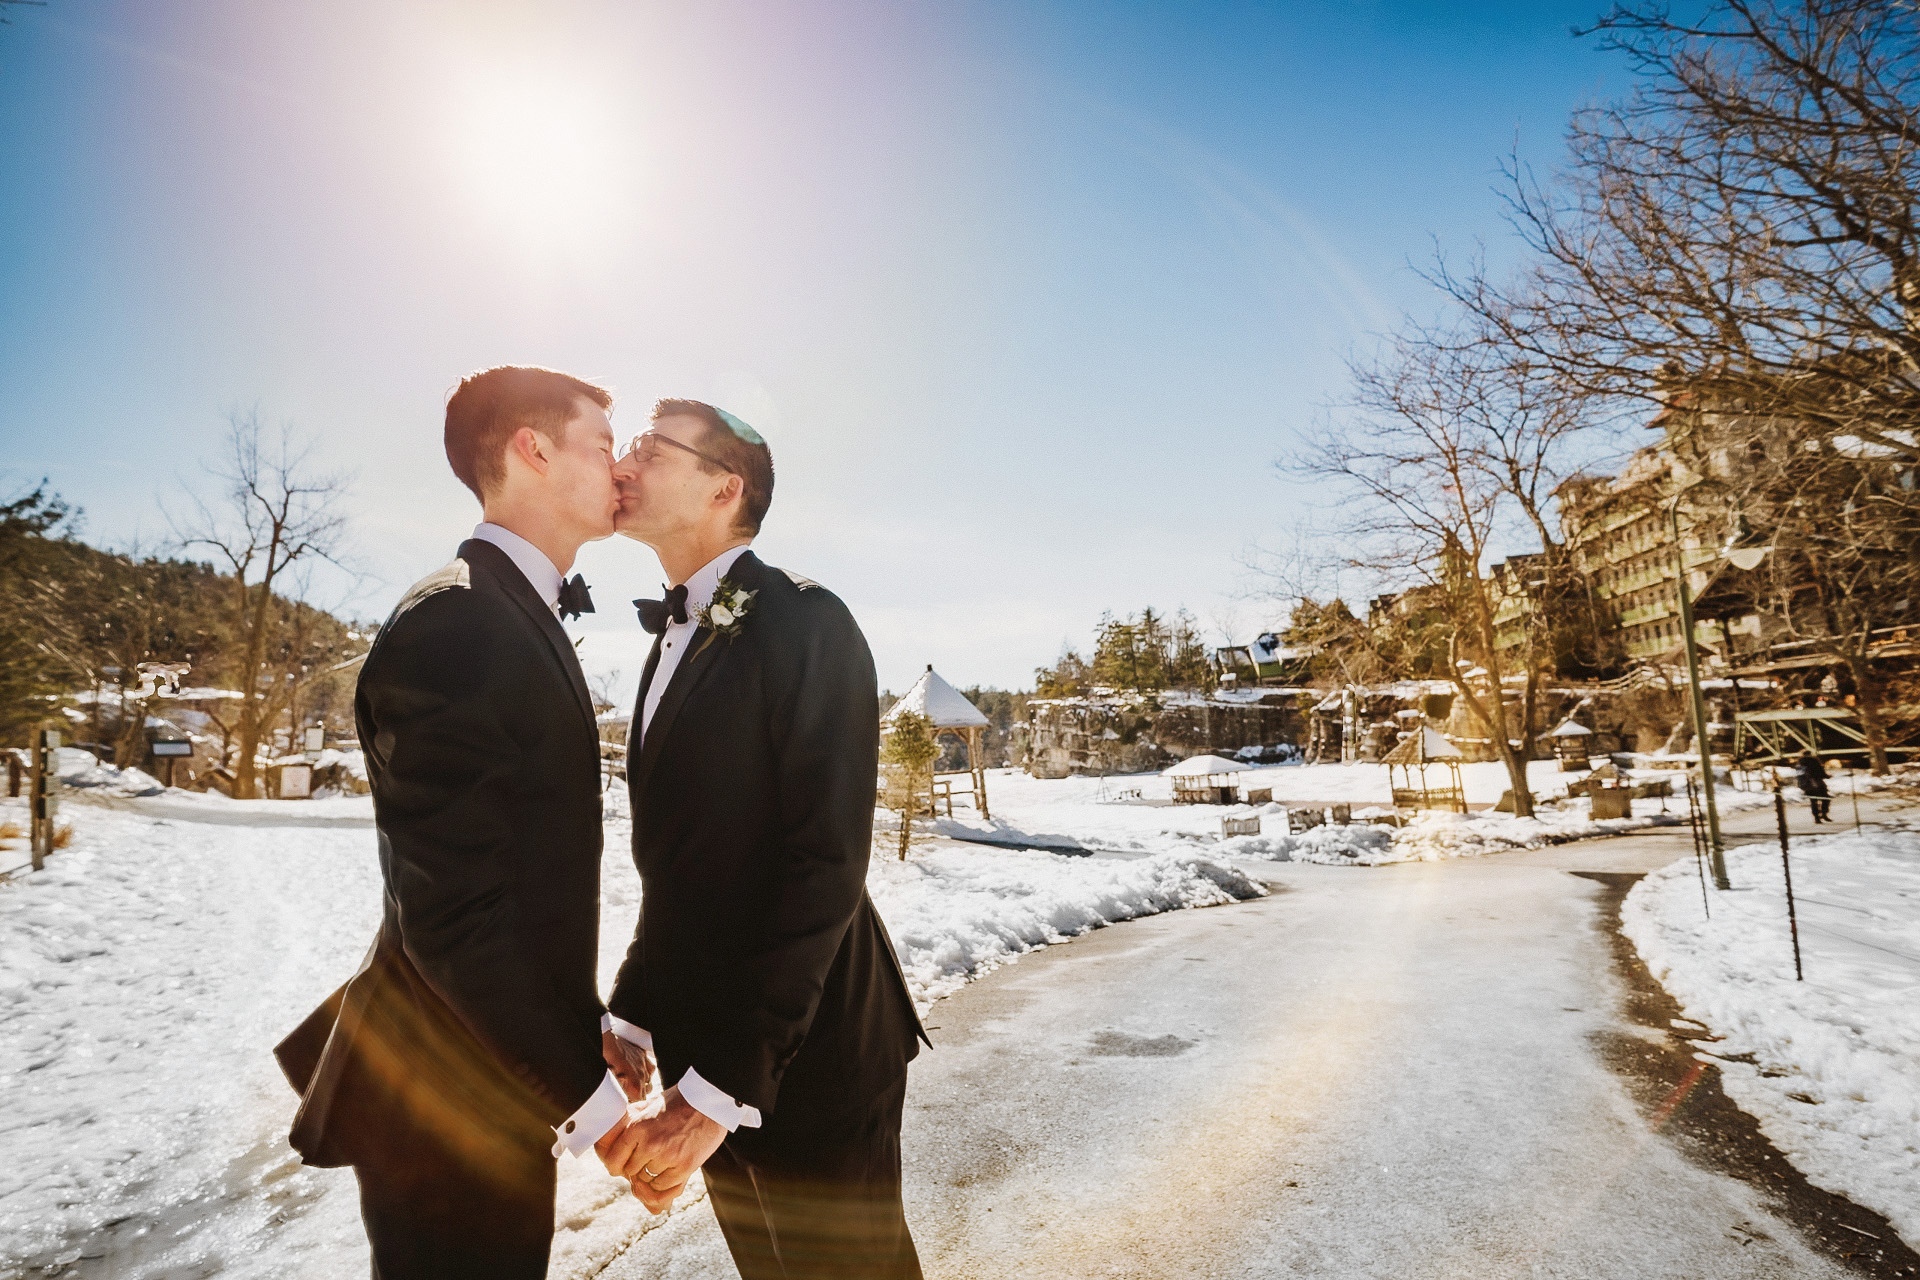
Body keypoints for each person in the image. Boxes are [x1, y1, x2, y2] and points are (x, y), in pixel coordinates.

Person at [273, 366, 641, 1279]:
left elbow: (512, 876)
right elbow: (454, 915)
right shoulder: (457, 624)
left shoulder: (506, 611)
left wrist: (573, 1025)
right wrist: (589, 1100)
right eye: (602, 445)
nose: (621, 468)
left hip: (485, 1070)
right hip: (440, 1100)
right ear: (533, 449)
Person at [598, 398, 930, 1280]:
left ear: (723, 487)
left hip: (813, 1046)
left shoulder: (805, 620)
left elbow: (822, 863)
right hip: (709, 1045)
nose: (621, 465)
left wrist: (719, 1091)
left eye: (645, 448)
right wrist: (633, 1007)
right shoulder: (668, 639)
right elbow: (685, 865)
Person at [1795, 751, 1832, 823]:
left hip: (1806, 785)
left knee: (1813, 801)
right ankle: (1824, 814)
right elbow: (1819, 772)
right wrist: (1827, 776)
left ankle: (1817, 817)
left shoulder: (1799, 763)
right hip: (1817, 783)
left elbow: (1799, 776)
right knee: (1826, 798)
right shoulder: (1814, 761)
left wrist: (1802, 785)